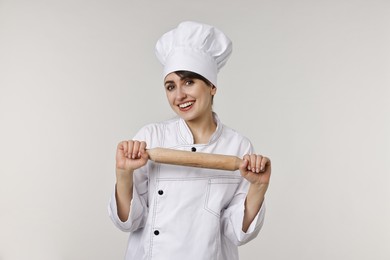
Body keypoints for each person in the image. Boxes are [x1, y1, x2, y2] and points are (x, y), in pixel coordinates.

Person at [108, 21, 271, 260]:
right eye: (170, 86)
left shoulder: (237, 147)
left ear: (212, 85)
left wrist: (258, 187)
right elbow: (129, 223)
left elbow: (236, 232)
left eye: (189, 82)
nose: (179, 95)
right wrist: (123, 174)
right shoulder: (151, 138)